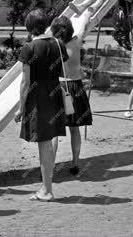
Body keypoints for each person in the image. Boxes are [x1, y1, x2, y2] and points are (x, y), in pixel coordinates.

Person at [14, 9, 67, 202]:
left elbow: (25, 82)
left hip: (38, 99)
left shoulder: (28, 48)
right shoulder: (58, 44)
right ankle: (46, 186)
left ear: (29, 27)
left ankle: (47, 189)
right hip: (55, 95)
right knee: (50, 140)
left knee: (44, 144)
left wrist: (21, 108)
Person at [50, 15, 93, 175]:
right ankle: (75, 163)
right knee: (75, 129)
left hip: (58, 86)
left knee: (54, 132)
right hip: (75, 86)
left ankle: (50, 166)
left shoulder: (53, 45)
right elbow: (84, 22)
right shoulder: (76, 42)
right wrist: (88, 10)